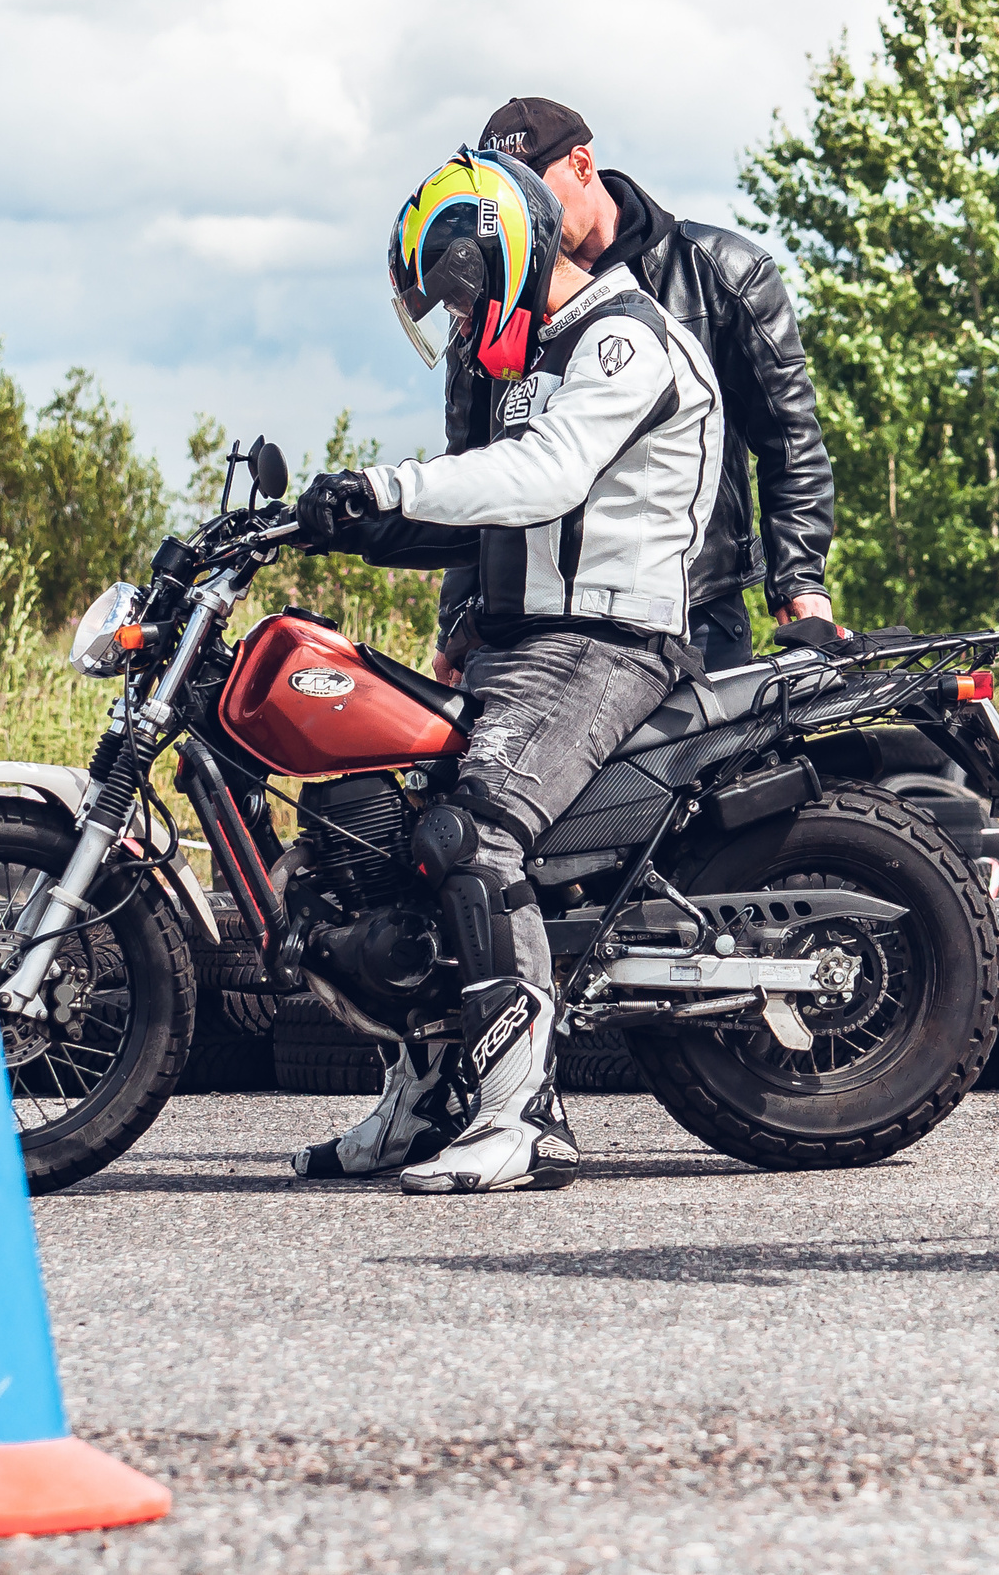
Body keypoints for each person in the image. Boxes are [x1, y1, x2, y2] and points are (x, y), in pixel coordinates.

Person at [287, 145, 723, 1195]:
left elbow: (548, 474)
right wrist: (326, 521)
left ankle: (521, 1115)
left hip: (606, 640)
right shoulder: (538, 358)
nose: (454, 310)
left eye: (458, 284)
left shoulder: (622, 339)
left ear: (509, 252)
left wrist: (387, 481)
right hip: (522, 641)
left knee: (472, 835)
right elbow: (488, 518)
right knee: (361, 824)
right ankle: (428, 1097)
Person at [421, 96, 832, 676]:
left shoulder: (720, 271)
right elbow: (477, 468)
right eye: (506, 197)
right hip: (534, 626)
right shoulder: (491, 310)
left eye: (534, 190)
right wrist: (458, 619)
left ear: (582, 165)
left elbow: (789, 439)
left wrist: (801, 579)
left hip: (694, 612)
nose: (522, 211)